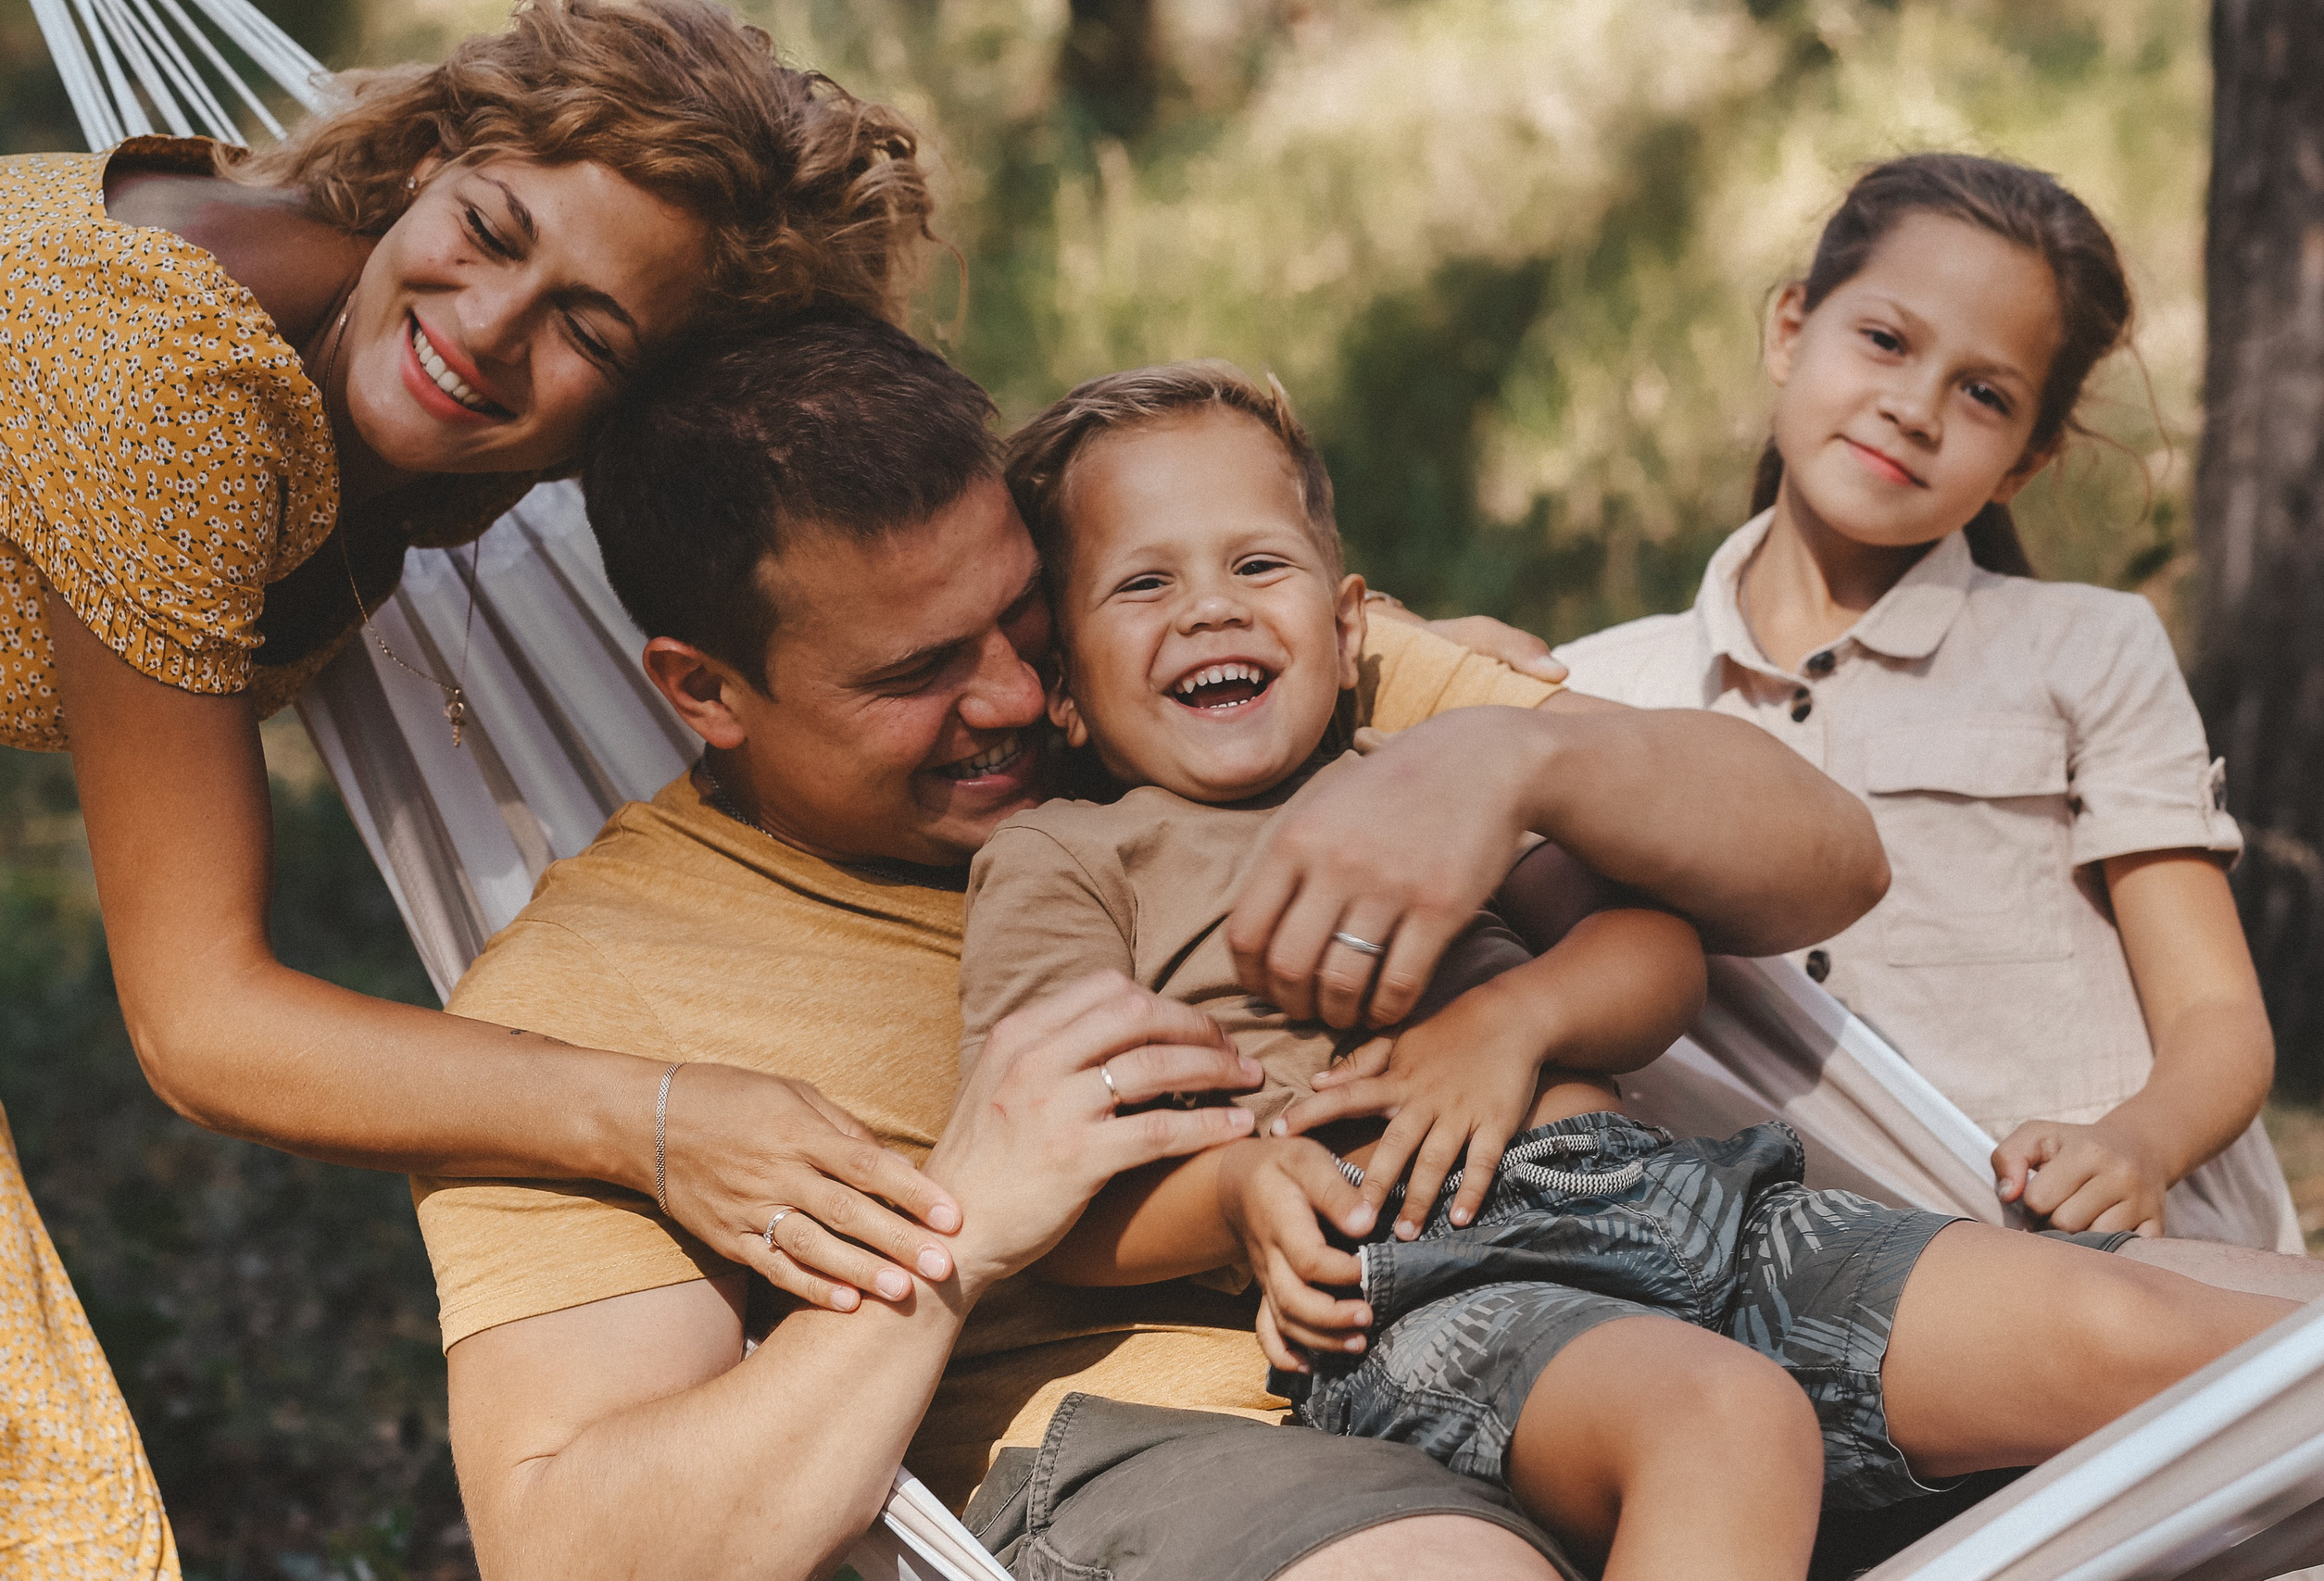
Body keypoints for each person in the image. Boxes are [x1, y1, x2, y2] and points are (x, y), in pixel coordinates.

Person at [413, 310, 1901, 1581]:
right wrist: (965, 1227)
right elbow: (571, 1546)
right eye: (920, 672)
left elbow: (1822, 859)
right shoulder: (584, 997)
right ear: (703, 687)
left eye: (1017, 615)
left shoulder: (1205, 674)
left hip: (1623, 1295)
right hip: (1170, 1449)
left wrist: (1527, 763)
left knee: (2119, 1349)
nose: (1011, 698)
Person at [961, 360, 2303, 1581]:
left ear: (1350, 616)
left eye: (1258, 564)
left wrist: (1514, 1018)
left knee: (2149, 1322)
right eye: (1143, 584)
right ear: (1065, 688)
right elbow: (1058, 1194)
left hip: (1695, 1208)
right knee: (1728, 1420)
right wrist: (1240, 1188)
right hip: (1434, 1285)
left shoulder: (1419, 780)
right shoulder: (1070, 857)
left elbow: (1655, 953)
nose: (1209, 607)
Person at [0, 4, 986, 1566]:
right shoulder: (171, 386)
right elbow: (196, 1021)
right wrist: (646, 1117)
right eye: (491, 229)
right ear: (430, 159)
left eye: (590, 328)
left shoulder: (364, 347)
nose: (489, 325)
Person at [1551, 153, 2303, 1252]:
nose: (1913, 408)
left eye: (1983, 394)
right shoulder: (1595, 692)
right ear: (1789, 328)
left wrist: (2138, 1144)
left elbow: (2217, 1017)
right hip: (1803, 1305)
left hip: (2118, 1274)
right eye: (1885, 342)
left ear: (2024, 460)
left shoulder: (2088, 649)